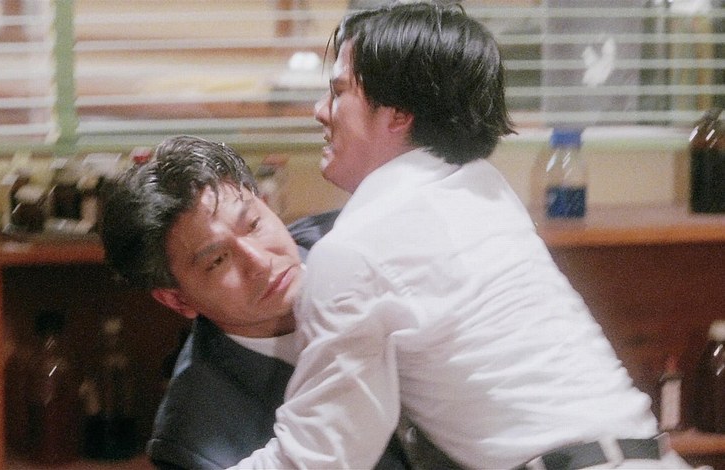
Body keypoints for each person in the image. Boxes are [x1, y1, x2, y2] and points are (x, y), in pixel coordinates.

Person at [232, 2, 692, 469]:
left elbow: (323, 456)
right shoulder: (482, 187)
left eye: (338, 92)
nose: (320, 111)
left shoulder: (355, 250)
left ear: (398, 113)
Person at [99, 135, 411, 469]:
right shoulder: (194, 438)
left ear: (265, 203)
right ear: (177, 299)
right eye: (218, 260)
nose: (260, 262)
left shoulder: (363, 233)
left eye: (253, 224)